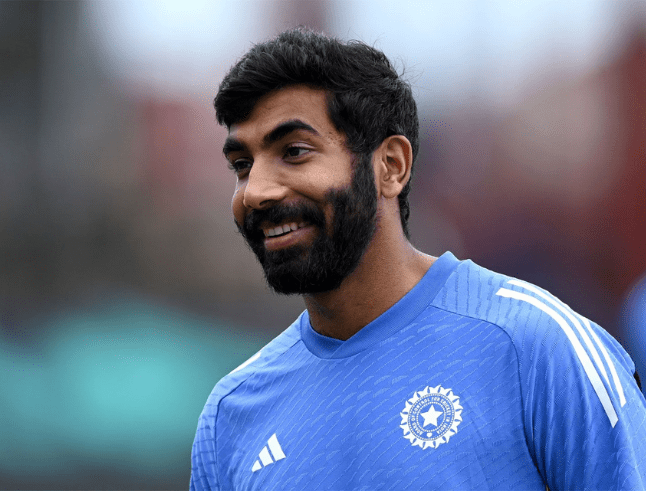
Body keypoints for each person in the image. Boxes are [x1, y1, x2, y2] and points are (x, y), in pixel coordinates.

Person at [191, 28, 646, 490]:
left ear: (391, 165)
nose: (256, 192)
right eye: (242, 165)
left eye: (294, 152)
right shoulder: (231, 415)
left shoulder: (534, 345)